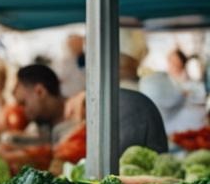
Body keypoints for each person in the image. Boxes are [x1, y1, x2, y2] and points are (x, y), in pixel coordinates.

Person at [13, 62, 167, 153]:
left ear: (40, 91)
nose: (22, 111)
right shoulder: (45, 128)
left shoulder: (91, 110)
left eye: (24, 103)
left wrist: (91, 96)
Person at [54, 32, 86, 99]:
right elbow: (59, 78)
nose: (77, 45)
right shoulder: (64, 61)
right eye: (74, 43)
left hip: (83, 95)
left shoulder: (85, 58)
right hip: (68, 97)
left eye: (79, 42)